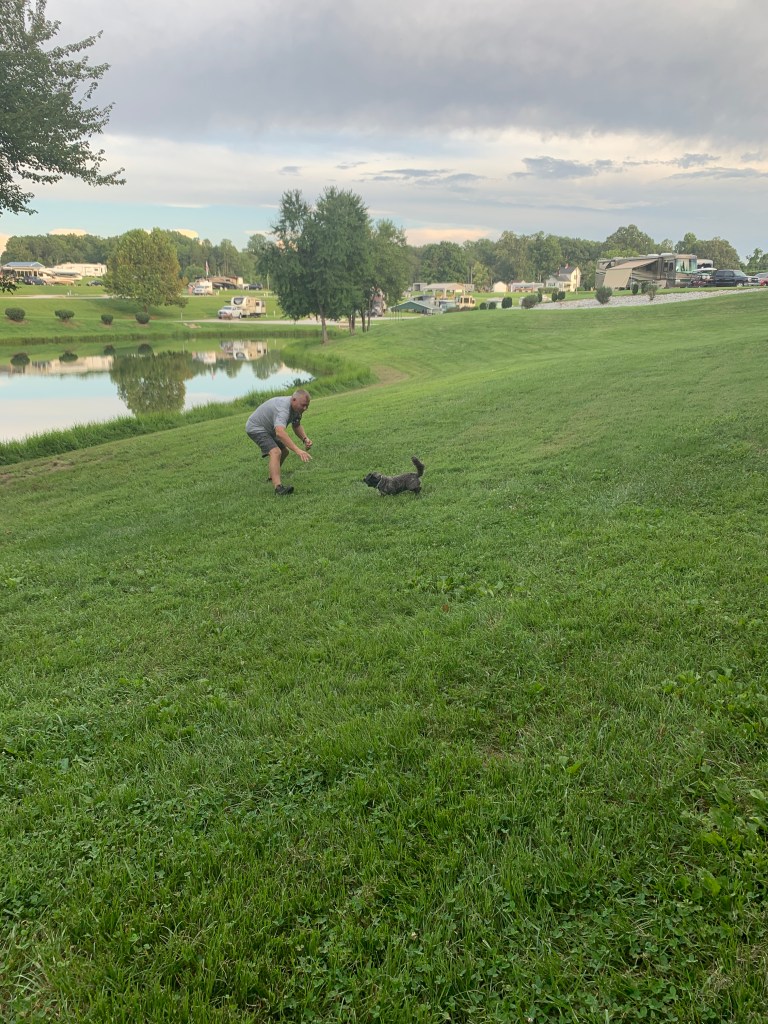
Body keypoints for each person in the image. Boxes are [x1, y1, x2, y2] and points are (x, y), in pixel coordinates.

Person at [245, 389, 313, 495]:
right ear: (294, 400)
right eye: (303, 405)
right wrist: (298, 450)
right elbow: (280, 432)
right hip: (256, 428)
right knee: (276, 452)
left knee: (284, 452)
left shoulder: (296, 409)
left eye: (307, 406)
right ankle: (278, 488)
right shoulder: (283, 409)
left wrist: (305, 439)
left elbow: (296, 425)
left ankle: (271, 477)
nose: (305, 408)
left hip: (269, 429)